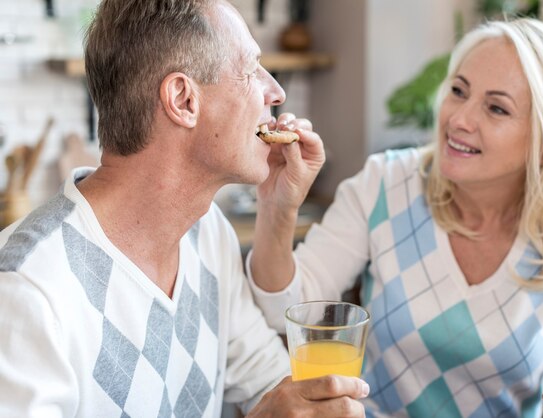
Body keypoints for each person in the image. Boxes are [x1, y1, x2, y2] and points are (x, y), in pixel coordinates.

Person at [0, 0, 369, 416]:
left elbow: (266, 377)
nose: (276, 92)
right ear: (183, 100)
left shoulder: (208, 231)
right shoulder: (26, 291)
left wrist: (277, 208)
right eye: (251, 70)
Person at [248, 18, 543, 417]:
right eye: (458, 91)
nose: (459, 119)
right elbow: (284, 311)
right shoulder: (386, 183)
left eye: (497, 108)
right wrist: (278, 206)